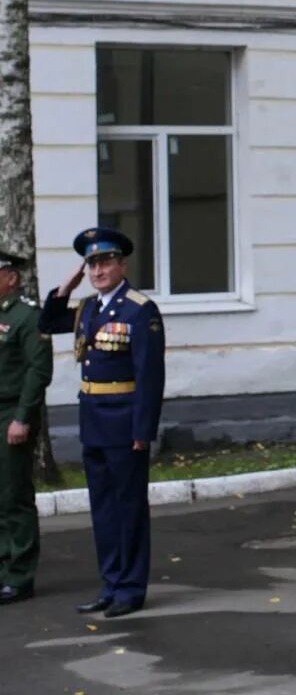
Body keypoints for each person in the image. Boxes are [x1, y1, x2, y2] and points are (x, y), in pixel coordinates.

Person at [40, 229, 165, 618]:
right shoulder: (88, 308)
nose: (98, 270)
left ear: (122, 264)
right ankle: (110, 584)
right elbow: (49, 320)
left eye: (105, 262)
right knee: (103, 510)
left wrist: (143, 431)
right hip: (93, 420)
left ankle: (131, 588)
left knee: (128, 508)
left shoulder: (139, 309)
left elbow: (149, 376)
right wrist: (67, 285)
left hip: (125, 423)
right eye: (92, 264)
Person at [0, 250, 52, 606]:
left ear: (10, 278)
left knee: (12, 495)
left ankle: (19, 576)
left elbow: (38, 371)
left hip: (10, 414)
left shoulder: (27, 315)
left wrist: (22, 418)